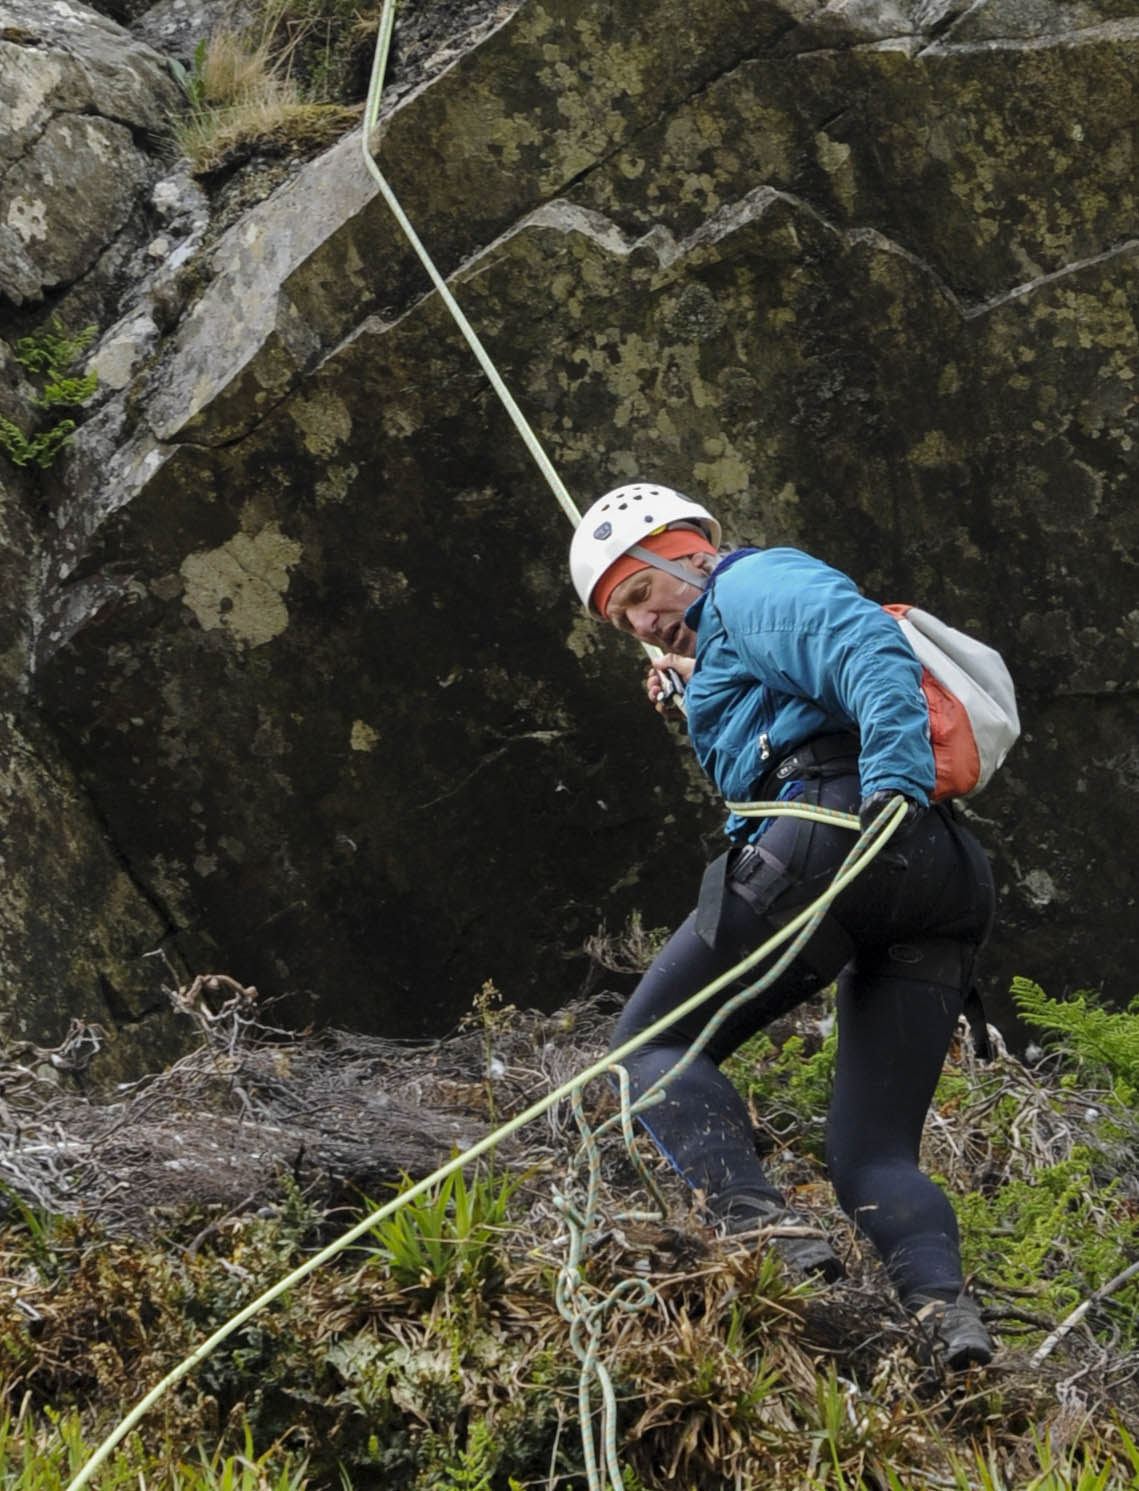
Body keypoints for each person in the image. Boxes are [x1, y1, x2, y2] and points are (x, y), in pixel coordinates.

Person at [569, 481, 997, 1369]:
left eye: (640, 594)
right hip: (934, 880)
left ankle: (765, 1236)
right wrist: (697, 687)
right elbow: (785, 704)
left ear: (685, 552)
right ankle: (946, 1322)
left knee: (646, 1049)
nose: (642, 623)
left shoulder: (751, 583)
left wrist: (892, 781)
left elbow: (861, 642)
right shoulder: (728, 626)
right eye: (621, 619)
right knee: (869, 1153)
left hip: (841, 827)